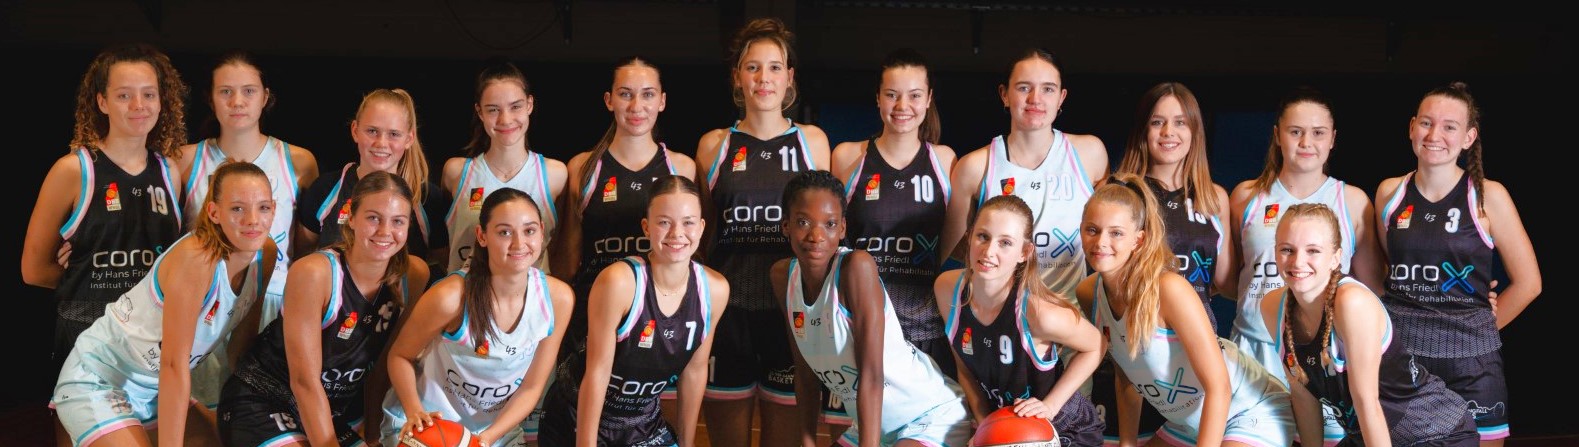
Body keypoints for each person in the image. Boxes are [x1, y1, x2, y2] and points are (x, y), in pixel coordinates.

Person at [52, 161, 280, 447]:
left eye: (263, 207)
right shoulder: (197, 260)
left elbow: (240, 347)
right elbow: (173, 365)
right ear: (214, 213)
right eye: (237, 209)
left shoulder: (266, 253)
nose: (253, 220)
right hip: (102, 378)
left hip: (153, 389)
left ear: (274, 209)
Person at [1374, 82, 1541, 446]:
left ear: (1468, 137)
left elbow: (1529, 283)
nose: (1434, 135)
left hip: (1472, 367)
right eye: (1426, 123)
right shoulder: (1389, 193)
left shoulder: (1488, 196)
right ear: (1412, 127)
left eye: (1449, 126)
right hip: (1405, 361)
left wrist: (1479, 328)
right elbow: (1389, 272)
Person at [693, 16, 832, 447]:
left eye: (774, 67)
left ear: (789, 77)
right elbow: (704, 233)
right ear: (738, 76)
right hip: (728, 314)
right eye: (752, 67)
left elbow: (825, 235)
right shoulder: (714, 145)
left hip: (790, 314)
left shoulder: (813, 142)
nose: (763, 78)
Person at [1077, 173, 1293, 447]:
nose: (1100, 242)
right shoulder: (1089, 293)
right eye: (1092, 230)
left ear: (1138, 240)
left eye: (1116, 233)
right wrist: (1127, 444)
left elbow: (1219, 386)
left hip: (1248, 409)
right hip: (1189, 423)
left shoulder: (1169, 289)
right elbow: (1126, 375)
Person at [218, 171, 431, 447]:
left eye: (397, 221)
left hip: (326, 411)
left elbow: (381, 368)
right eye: (373, 218)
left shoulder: (413, 275)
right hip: (263, 397)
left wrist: (374, 437)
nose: (384, 231)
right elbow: (304, 381)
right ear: (351, 218)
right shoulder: (315, 273)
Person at [22, 43, 188, 380]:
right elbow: (33, 270)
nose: (138, 105)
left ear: (161, 101)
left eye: (149, 94)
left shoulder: (169, 171)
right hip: (86, 332)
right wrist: (84, 277)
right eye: (124, 95)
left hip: (151, 334)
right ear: (102, 102)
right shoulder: (73, 170)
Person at [772, 170, 970, 447]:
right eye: (803, 222)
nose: (816, 235)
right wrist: (808, 442)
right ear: (786, 225)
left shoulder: (856, 267)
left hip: (928, 416)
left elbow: (872, 375)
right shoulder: (783, 276)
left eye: (830, 224)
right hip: (873, 426)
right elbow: (805, 374)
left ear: (842, 229)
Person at [1263, 203, 1477, 447]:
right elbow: (1303, 398)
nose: (1298, 261)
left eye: (1313, 250)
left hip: (1433, 433)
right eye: (1287, 249)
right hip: (1366, 437)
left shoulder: (1351, 302)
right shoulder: (1273, 307)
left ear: (1335, 258)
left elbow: (1367, 402)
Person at [538, 175, 727, 447]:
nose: (677, 233)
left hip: (642, 422)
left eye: (688, 222)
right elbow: (597, 373)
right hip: (579, 416)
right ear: (646, 228)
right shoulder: (619, 282)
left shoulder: (715, 290)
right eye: (664, 222)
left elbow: (694, 372)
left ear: (701, 227)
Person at [381, 188, 572, 447]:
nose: (519, 243)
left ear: (541, 231)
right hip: (428, 422)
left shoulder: (558, 299)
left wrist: (484, 440)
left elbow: (531, 388)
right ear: (482, 236)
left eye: (529, 231)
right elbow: (399, 356)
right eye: (504, 232)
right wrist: (415, 413)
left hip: (491, 433)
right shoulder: (451, 296)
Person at [1097, 81, 1230, 443]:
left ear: (1195, 131)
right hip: (1138, 362)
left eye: (1180, 122)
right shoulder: (1121, 191)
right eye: (1157, 122)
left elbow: (1223, 281)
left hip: (1195, 361)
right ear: (1143, 131)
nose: (1169, 132)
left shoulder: (1214, 198)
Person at [550, 56, 698, 357]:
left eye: (648, 94)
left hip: (658, 313)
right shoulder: (582, 168)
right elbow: (567, 259)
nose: (636, 106)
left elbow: (694, 251)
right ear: (609, 100)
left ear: (662, 101)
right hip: (594, 311)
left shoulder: (681, 167)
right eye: (625, 94)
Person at [940, 48, 1108, 304]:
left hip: (1070, 313)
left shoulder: (1089, 153)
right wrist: (999, 257)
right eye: (1023, 88)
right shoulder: (975, 166)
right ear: (1004, 94)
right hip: (999, 314)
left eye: (1048, 89)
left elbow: (1109, 231)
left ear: (1061, 97)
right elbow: (950, 248)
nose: (1035, 99)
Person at [936, 194, 1105, 446]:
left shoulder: (1039, 313)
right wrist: (984, 425)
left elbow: (1097, 345)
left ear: (1024, 252)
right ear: (969, 237)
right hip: (1004, 423)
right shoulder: (947, 289)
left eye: (1005, 242)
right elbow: (964, 368)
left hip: (1062, 427)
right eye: (983, 236)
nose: (989, 251)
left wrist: (1050, 405)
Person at [830, 48, 957, 381]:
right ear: (878, 98)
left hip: (924, 326)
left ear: (928, 99)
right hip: (858, 322)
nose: (902, 106)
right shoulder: (846, 157)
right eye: (891, 95)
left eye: (914, 95)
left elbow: (949, 246)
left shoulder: (945, 161)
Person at [176, 50, 319, 322]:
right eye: (225, 92)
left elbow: (306, 245)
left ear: (265, 97)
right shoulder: (185, 160)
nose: (237, 102)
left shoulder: (299, 161)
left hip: (275, 302)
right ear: (211, 99)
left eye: (249, 91)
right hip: (202, 301)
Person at [297, 88, 447, 273]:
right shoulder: (326, 189)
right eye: (372, 131)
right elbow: (300, 256)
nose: (381, 143)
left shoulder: (426, 199)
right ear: (355, 131)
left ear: (409, 138)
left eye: (394, 134)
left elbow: (447, 263)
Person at [443, 59, 566, 273]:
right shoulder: (456, 172)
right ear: (479, 112)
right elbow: (441, 244)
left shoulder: (555, 174)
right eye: (493, 110)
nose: (505, 119)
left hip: (531, 293)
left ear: (529, 105)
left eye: (515, 107)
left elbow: (560, 247)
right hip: (466, 291)